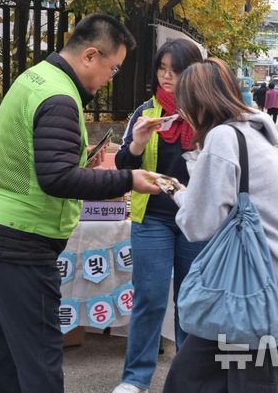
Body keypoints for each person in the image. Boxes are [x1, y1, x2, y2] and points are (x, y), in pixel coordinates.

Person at [0, 13, 160, 393]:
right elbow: (57, 179)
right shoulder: (60, 99)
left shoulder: (35, 77)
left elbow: (33, 154)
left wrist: (75, 152)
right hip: (20, 243)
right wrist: (128, 179)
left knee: (6, 360)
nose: (108, 80)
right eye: (112, 68)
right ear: (90, 56)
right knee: (40, 364)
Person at [162, 58, 278, 393]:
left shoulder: (222, 138)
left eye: (184, 104)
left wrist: (174, 189)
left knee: (213, 381)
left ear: (197, 103)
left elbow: (198, 225)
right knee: (204, 378)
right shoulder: (256, 134)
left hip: (259, 292)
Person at [112, 39, 206, 393]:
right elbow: (123, 167)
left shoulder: (205, 115)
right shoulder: (146, 112)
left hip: (196, 220)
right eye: (162, 69)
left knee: (190, 299)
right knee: (149, 297)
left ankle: (189, 377)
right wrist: (136, 143)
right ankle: (136, 378)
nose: (167, 77)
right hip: (153, 217)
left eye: (176, 71)